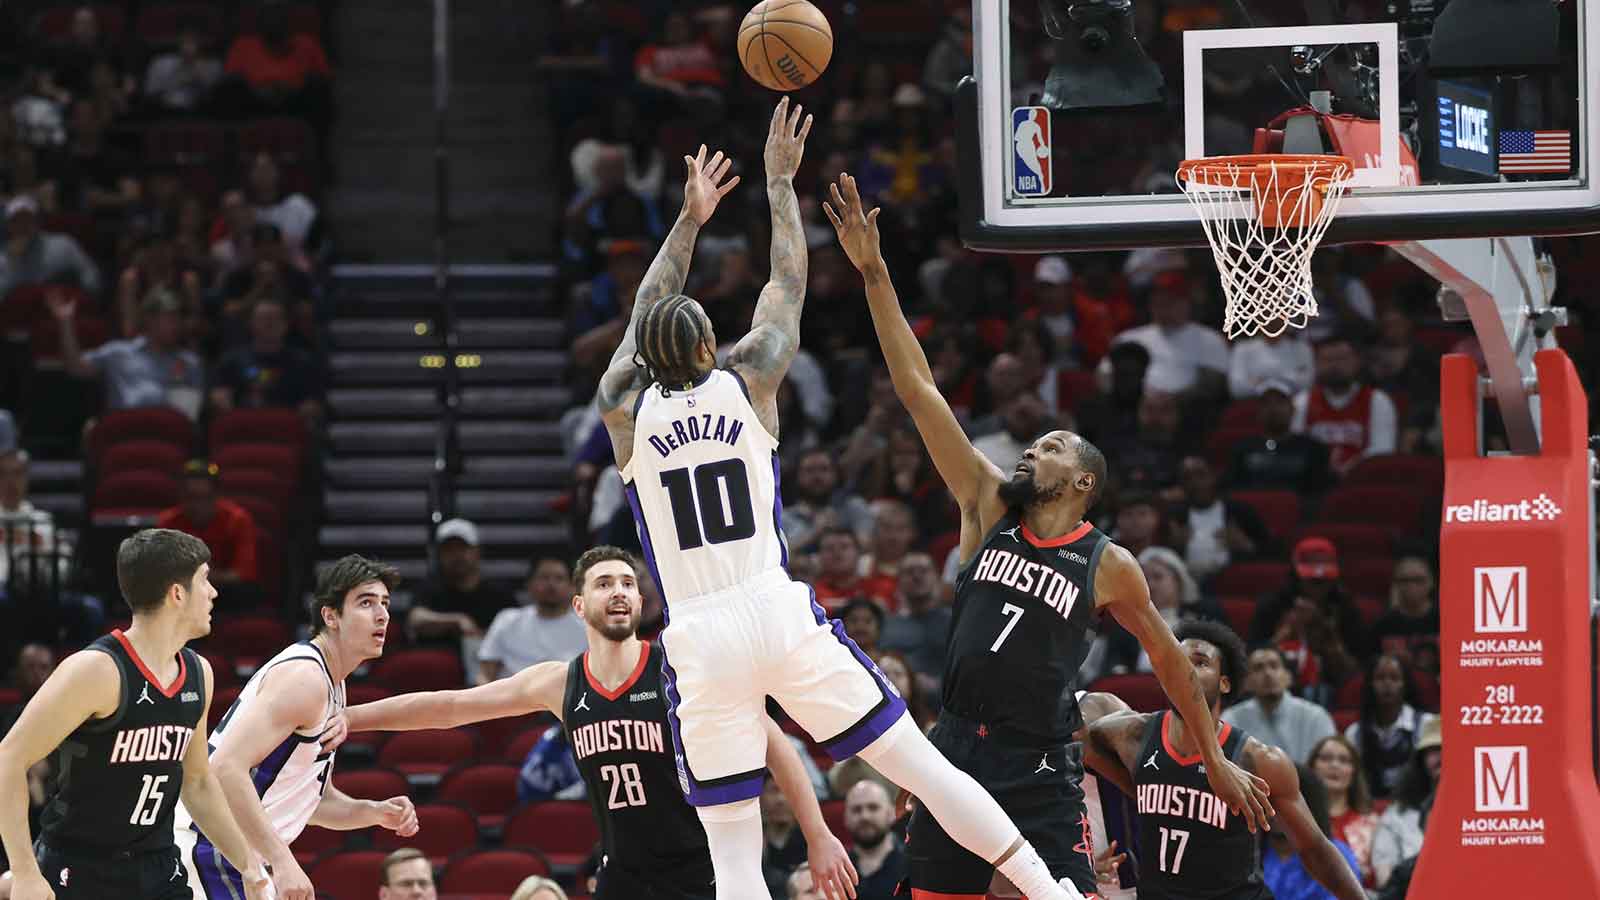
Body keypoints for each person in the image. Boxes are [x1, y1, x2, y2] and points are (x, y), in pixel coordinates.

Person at [594, 104, 1087, 900]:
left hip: (697, 630)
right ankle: (1050, 892)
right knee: (921, 770)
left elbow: (642, 316)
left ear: (645, 354)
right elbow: (788, 282)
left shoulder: (624, 408)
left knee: (730, 847)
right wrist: (779, 184)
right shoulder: (748, 377)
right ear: (707, 347)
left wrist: (687, 224)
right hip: (771, 605)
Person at [824, 173, 1271, 898]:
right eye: (1035, 445)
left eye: (1054, 446)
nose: (1035, 450)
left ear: (1086, 480)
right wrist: (874, 271)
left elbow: (1169, 661)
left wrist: (1216, 764)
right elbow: (919, 390)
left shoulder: (1109, 564)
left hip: (1040, 763)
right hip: (957, 745)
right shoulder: (986, 502)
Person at [345, 546, 854, 900]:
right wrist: (349, 716)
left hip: (702, 870)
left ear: (640, 601)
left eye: (628, 584)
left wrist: (819, 834)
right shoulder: (557, 683)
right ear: (579, 605)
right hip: (622, 873)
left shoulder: (680, 666)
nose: (618, 592)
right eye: (604, 583)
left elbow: (774, 742)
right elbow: (449, 707)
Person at [0, 529, 270, 900]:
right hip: (80, 866)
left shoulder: (198, 673)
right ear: (178, 593)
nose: (213, 592)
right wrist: (24, 872)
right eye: (205, 580)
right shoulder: (97, 671)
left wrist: (248, 865)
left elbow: (198, 782)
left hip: (157, 866)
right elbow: (8, 759)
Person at [173, 555, 418, 900]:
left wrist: (372, 812)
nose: (382, 615)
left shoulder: (333, 682)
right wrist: (283, 860)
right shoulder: (306, 679)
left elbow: (309, 802)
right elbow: (225, 768)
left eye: (385, 604)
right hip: (211, 846)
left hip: (235, 854)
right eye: (366, 603)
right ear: (330, 616)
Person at [1084, 621, 1365, 900]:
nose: (1184, 670)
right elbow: (1077, 729)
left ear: (1225, 683)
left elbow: (1314, 848)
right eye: (1177, 661)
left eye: (1200, 662)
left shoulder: (1258, 760)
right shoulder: (1131, 735)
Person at [407, 519, 516, 647]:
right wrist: (456, 620)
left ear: (477, 552)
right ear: (439, 555)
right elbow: (415, 619)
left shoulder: (499, 592)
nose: (456, 555)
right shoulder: (429, 589)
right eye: (449, 549)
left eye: (462, 548)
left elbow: (517, 627)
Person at [1221, 647, 1337, 765]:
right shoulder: (1232, 719)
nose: (1267, 673)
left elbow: (1330, 765)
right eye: (1258, 668)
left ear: (1288, 677)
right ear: (1247, 682)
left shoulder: (1316, 717)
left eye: (1274, 666)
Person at [477, 557, 586, 681]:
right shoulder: (507, 620)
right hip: (512, 696)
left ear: (573, 587)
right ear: (529, 585)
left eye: (559, 578)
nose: (551, 584)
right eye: (544, 578)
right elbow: (485, 673)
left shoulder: (588, 627)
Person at [156, 460, 259, 591]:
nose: (196, 505)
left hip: (227, 595)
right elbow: (159, 573)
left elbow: (243, 575)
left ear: (216, 496)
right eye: (191, 498)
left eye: (204, 498)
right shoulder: (168, 522)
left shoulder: (237, 521)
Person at [1344, 655, 1432, 799]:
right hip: (1370, 808)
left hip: (1416, 806)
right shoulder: (1355, 733)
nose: (1387, 684)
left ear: (1405, 684)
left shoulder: (1424, 724)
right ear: (1370, 684)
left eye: (1394, 678)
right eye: (1380, 678)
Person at [1369, 717, 1441, 890]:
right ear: (1421, 759)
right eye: (1433, 750)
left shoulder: (1482, 814)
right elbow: (1385, 880)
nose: (1441, 757)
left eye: (1448, 749)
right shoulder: (1397, 815)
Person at [1307, 735, 1380, 888]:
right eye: (1326, 758)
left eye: (1344, 760)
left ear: (1353, 772)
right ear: (1312, 766)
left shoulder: (1372, 823)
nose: (1335, 765)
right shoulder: (1299, 819)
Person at [844, 779, 907, 899]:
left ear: (891, 813)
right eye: (856, 809)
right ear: (846, 818)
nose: (864, 816)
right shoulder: (836, 870)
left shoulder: (914, 866)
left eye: (873, 808)